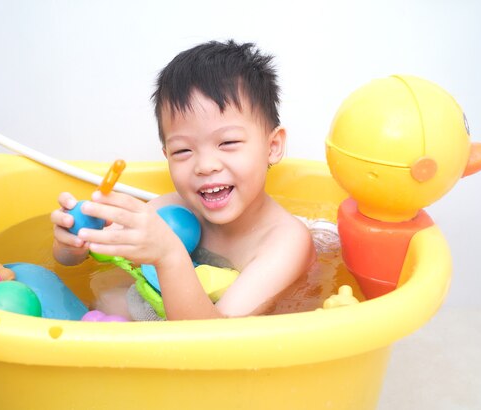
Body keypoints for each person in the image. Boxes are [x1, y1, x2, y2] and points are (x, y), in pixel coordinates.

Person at [51, 40, 316, 320]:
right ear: (167, 155)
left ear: (272, 146)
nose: (205, 165)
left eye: (227, 142)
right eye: (183, 151)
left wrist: (170, 256)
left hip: (224, 348)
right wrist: (73, 242)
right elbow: (88, 254)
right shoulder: (170, 208)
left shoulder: (285, 242)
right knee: (111, 300)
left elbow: (214, 341)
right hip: (168, 331)